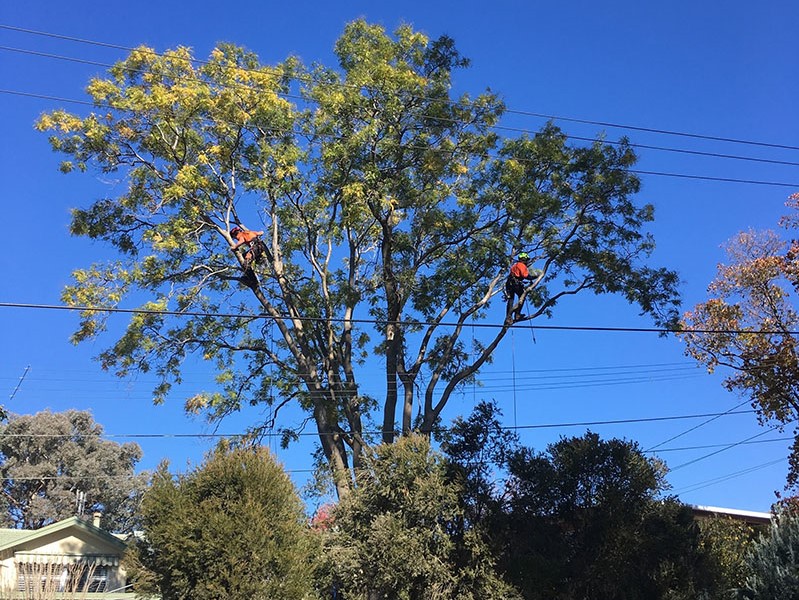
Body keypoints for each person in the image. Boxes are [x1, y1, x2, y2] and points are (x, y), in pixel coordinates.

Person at [505, 252, 534, 321]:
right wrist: (533, 277)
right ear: (524, 259)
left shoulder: (514, 265)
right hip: (516, 284)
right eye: (526, 260)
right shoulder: (521, 265)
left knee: (510, 300)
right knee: (522, 297)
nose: (527, 262)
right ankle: (517, 314)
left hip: (509, 283)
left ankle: (508, 317)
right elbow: (525, 275)